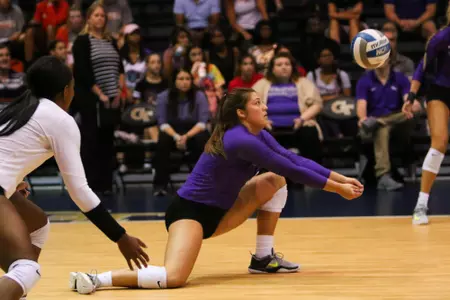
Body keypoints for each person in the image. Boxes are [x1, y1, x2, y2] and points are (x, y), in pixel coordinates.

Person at [69, 87, 363, 295]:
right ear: (241, 113)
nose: (265, 107)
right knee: (174, 278)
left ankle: (263, 258)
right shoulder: (240, 140)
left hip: (224, 210)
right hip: (190, 214)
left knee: (275, 180)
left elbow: (292, 160)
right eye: (258, 103)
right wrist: (337, 190)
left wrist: (341, 179)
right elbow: (292, 168)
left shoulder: (256, 132)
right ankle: (96, 278)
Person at [0, 56, 149, 300]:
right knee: (28, 270)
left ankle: (16, 291)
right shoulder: (60, 120)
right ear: (66, 90)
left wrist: (14, 180)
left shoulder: (19, 107)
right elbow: (79, 192)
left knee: (38, 226)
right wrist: (120, 237)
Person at [403, 8, 450, 225]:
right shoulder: (441, 38)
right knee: (439, 142)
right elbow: (422, 67)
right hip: (440, 92)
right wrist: (411, 96)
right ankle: (421, 204)